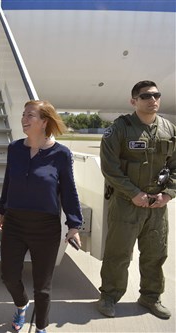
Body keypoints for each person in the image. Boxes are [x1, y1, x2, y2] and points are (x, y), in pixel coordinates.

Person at [0, 100, 83, 333]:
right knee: (8, 276)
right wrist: (1, 209)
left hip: (46, 228)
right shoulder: (15, 149)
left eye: (30, 115)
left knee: (42, 287)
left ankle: (41, 327)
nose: (24, 119)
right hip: (14, 222)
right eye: (23, 114)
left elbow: (69, 190)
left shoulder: (61, 154)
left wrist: (74, 225)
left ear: (44, 121)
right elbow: (8, 182)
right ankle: (21, 304)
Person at [97, 80, 175, 319]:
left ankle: (150, 297)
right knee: (118, 254)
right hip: (126, 204)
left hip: (157, 206)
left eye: (156, 95)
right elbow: (110, 167)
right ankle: (109, 296)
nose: (152, 100)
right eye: (146, 96)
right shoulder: (120, 128)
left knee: (155, 254)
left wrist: (168, 194)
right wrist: (134, 193)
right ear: (134, 101)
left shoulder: (169, 129)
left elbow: (174, 167)